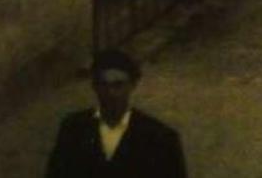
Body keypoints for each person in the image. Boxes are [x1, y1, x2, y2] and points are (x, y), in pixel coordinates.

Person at [45, 50, 186, 178]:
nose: (111, 93)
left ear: (132, 85)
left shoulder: (160, 138)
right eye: (104, 85)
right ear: (94, 87)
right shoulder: (74, 129)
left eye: (118, 85)